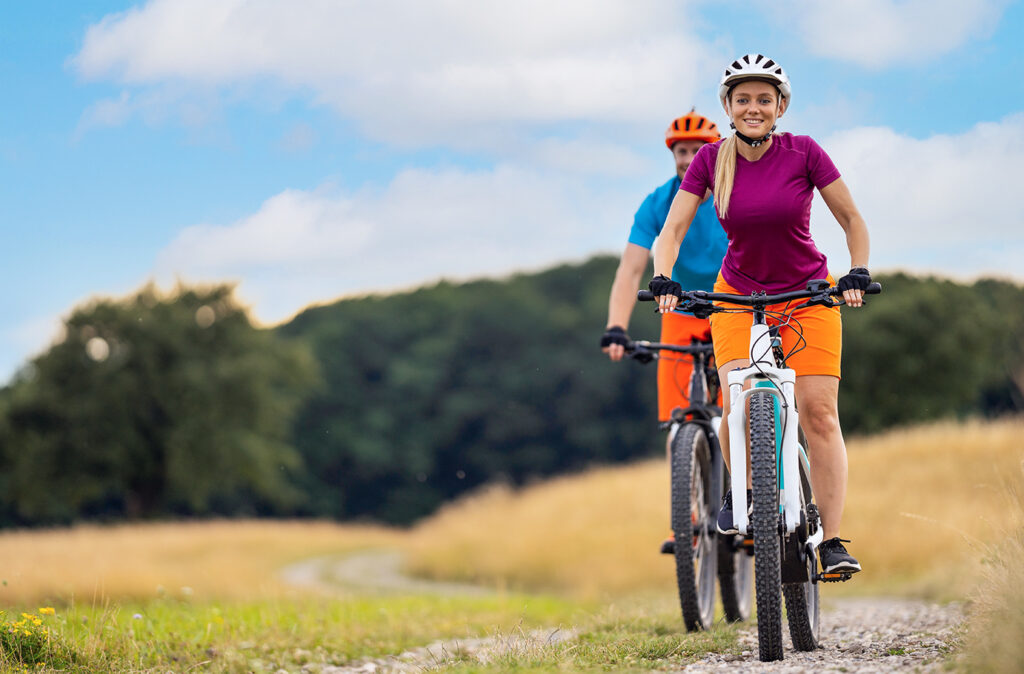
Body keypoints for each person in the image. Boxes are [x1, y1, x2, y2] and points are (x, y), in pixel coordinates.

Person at [648, 54, 871, 575]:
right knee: (738, 405)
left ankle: (832, 540)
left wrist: (857, 270)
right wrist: (664, 276)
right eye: (742, 98)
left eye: (763, 99)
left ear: (780, 106)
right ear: (728, 106)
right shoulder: (711, 160)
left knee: (819, 413)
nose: (753, 107)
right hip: (737, 297)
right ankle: (745, 493)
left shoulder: (805, 152)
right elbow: (673, 230)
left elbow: (851, 218)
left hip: (809, 294)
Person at [600, 110, 728, 554]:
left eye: (698, 151)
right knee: (679, 421)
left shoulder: (733, 194)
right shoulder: (658, 202)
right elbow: (631, 270)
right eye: (682, 152)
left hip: (733, 304)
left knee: (743, 410)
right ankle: (687, 520)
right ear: (673, 156)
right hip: (680, 310)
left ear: (715, 152)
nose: (690, 158)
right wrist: (617, 327)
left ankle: (752, 504)